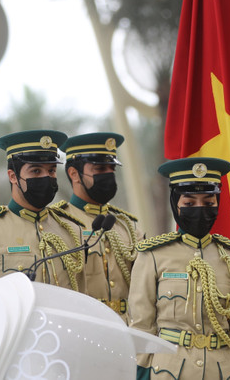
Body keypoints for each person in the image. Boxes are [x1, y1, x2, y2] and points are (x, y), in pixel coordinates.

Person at [129, 157, 230, 379]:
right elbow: (141, 328)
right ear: (175, 204)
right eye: (189, 203)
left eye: (208, 203)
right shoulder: (153, 256)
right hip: (169, 372)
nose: (200, 209)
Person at [0, 130, 87, 308]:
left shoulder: (71, 230)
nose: (46, 177)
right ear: (13, 176)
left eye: (51, 171)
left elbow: (81, 301)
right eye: (36, 171)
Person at [51, 132, 142, 322]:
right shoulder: (57, 223)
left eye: (111, 169)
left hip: (126, 326)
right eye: (100, 169)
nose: (108, 175)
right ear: (74, 174)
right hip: (83, 325)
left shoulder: (127, 226)